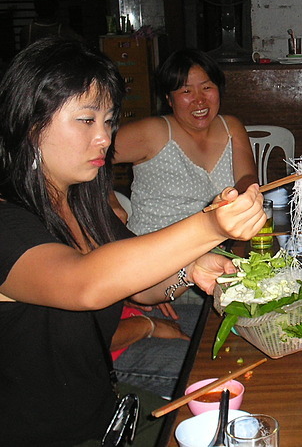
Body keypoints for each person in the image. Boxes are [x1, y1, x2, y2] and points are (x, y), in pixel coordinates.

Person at [0, 37, 265, 446]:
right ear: (31, 123)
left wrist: (190, 270)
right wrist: (212, 226)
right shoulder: (7, 220)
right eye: (87, 120)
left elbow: (142, 288)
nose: (105, 138)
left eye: (108, 121)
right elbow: (84, 283)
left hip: (105, 418)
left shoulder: (84, 206)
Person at [114, 48, 258, 235]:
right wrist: (109, 198)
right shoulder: (152, 132)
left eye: (207, 88)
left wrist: (240, 198)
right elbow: (86, 156)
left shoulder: (231, 127)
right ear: (169, 99)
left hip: (218, 245)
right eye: (186, 91)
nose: (199, 100)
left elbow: (247, 178)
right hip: (156, 251)